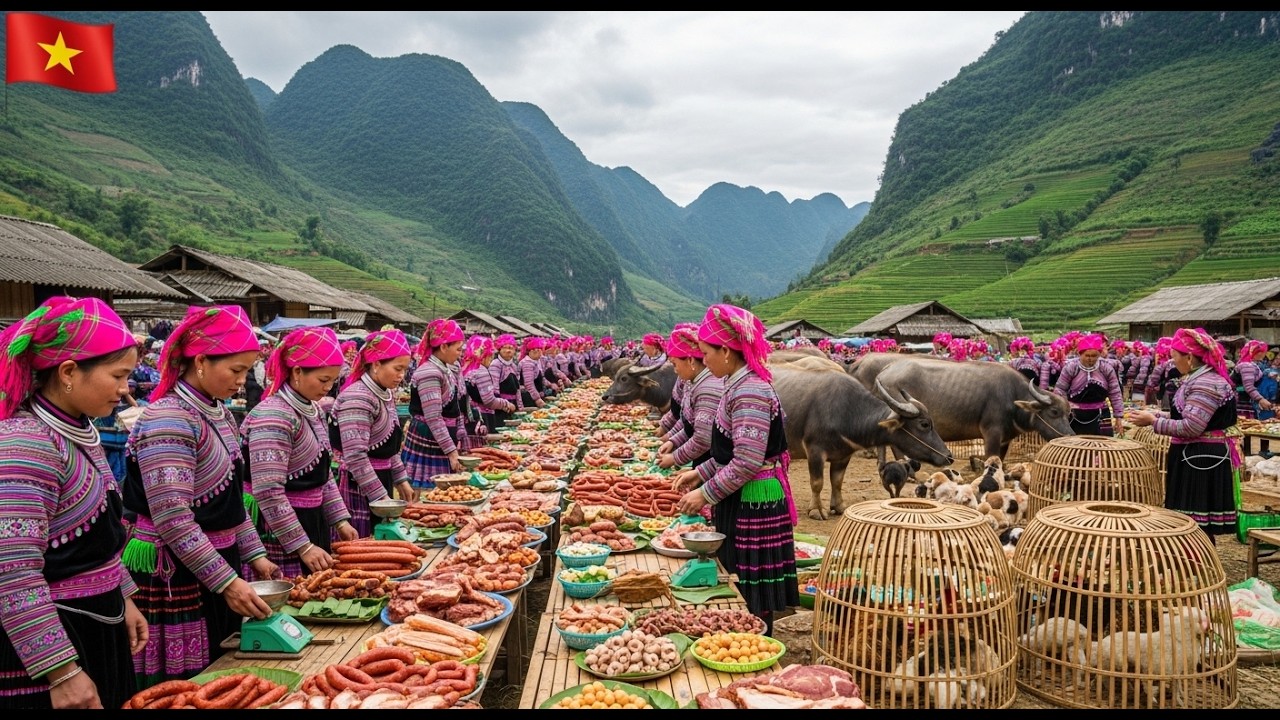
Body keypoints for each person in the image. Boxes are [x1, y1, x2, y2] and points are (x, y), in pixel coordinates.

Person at [0, 298, 149, 709]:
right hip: (50, 649)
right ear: (68, 372)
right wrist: (62, 670)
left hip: (96, 628)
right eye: (118, 375)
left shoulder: (76, 430)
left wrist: (124, 596)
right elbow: (12, 569)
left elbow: (99, 534)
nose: (126, 389)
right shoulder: (25, 443)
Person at [122, 305, 278, 688]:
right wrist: (225, 581)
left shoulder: (220, 414)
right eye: (236, 370)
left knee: (221, 674)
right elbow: (173, 518)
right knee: (186, 686)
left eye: (246, 371)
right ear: (203, 361)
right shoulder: (169, 420)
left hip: (213, 559)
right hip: (174, 570)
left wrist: (256, 555)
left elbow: (231, 499)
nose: (242, 382)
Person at [669, 304, 799, 635]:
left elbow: (746, 462)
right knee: (741, 576)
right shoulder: (734, 384)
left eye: (706, 352)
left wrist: (704, 492)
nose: (703, 359)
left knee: (752, 585)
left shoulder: (750, 391)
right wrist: (699, 473)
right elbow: (731, 452)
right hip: (743, 493)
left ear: (726, 350)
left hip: (754, 499)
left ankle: (758, 644)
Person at [241, 327, 357, 581]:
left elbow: (323, 473)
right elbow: (268, 490)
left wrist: (340, 520)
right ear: (296, 372)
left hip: (312, 518)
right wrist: (301, 545)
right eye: (323, 380)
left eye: (333, 381)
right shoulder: (273, 416)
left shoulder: (312, 410)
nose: (328, 387)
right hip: (278, 526)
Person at [1127, 328, 1238, 542]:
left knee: (1196, 520)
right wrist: (1158, 413)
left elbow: (1192, 426)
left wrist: (1153, 422)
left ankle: (1199, 564)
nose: (1172, 361)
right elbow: (1191, 414)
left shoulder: (1205, 383)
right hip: (1196, 455)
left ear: (1189, 357)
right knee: (1194, 519)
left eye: (1174, 356)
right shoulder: (1198, 379)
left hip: (1201, 458)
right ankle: (1196, 563)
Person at [332, 330, 414, 537]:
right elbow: (356, 457)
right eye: (397, 368)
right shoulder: (357, 398)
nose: (401, 376)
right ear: (376, 364)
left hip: (381, 479)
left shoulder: (384, 393)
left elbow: (390, 446)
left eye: (404, 369)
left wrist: (400, 479)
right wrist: (381, 499)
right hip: (359, 484)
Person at [402, 319, 467, 490]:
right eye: (458, 349)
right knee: (422, 493)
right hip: (428, 437)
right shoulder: (429, 373)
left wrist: (459, 433)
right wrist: (451, 451)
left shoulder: (446, 369)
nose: (460, 354)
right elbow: (434, 417)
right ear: (444, 347)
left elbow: (455, 405)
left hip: (441, 437)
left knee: (444, 492)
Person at [657, 323, 723, 472]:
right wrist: (673, 441)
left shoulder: (708, 389)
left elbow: (703, 438)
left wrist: (675, 457)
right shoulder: (692, 382)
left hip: (712, 463)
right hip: (706, 462)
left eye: (675, 364)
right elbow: (688, 421)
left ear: (690, 361)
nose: (675, 370)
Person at [1052, 333, 1125, 437]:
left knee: (1101, 448)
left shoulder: (1106, 368)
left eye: (1094, 356)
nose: (1090, 359)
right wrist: (1064, 411)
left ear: (1099, 354)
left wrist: (1118, 417)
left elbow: (1115, 392)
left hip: (1100, 414)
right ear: (1080, 354)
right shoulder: (1071, 367)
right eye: (1087, 355)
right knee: (1076, 448)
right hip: (1075, 414)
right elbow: (1060, 390)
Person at [463, 335, 515, 445]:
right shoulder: (481, 371)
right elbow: (489, 401)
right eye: (490, 356)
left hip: (470, 417)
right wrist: (506, 404)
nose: (491, 359)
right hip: (482, 416)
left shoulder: (466, 368)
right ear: (484, 356)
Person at [1233, 339, 1273, 420]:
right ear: (1257, 352)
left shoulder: (1250, 364)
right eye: (1264, 351)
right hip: (1242, 403)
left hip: (1246, 400)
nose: (1265, 353)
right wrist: (1261, 399)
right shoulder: (1247, 366)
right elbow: (1248, 387)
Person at [490, 334, 523, 422]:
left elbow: (517, 389)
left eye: (511, 348)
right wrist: (504, 405)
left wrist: (520, 407)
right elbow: (495, 389)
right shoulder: (496, 364)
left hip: (513, 405)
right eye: (505, 347)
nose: (508, 351)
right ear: (499, 349)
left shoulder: (514, 366)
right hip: (501, 408)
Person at [519, 336, 548, 409]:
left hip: (535, 396)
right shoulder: (527, 363)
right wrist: (537, 399)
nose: (540, 353)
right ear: (531, 351)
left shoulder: (535, 362)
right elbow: (528, 384)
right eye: (538, 350)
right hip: (529, 398)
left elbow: (541, 378)